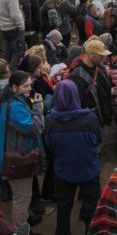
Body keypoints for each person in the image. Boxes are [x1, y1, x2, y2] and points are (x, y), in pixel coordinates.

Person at [45, 80, 102, 235]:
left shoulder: (50, 120)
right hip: (88, 169)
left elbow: (49, 145)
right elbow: (98, 139)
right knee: (91, 205)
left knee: (63, 206)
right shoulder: (89, 118)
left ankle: (62, 232)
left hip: (63, 171)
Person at [0, 71, 44, 229]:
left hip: (17, 154)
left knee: (23, 195)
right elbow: (34, 128)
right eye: (26, 86)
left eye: (30, 85)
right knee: (22, 197)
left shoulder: (13, 101)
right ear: (14, 87)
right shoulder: (15, 106)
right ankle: (20, 230)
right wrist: (38, 106)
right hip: (18, 158)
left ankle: (23, 222)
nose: (30, 89)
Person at [70, 37, 113, 126]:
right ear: (91, 54)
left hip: (104, 116)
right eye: (101, 55)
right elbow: (77, 103)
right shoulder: (77, 75)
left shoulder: (100, 68)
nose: (104, 57)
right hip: (91, 121)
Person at [0, 0, 25, 71]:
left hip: (4, 28)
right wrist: (21, 26)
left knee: (6, 53)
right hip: (14, 28)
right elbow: (15, 15)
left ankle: (2, 73)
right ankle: (12, 75)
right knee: (17, 53)